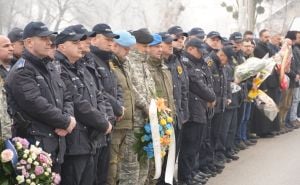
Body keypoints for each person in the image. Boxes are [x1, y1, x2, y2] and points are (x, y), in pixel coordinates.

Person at [5, 21, 76, 172]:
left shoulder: (49, 67)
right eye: (44, 39)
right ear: (29, 42)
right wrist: (64, 121)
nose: (50, 42)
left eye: (50, 39)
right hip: (34, 146)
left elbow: (66, 95)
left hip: (56, 143)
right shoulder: (22, 71)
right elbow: (35, 104)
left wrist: (69, 119)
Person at [54, 27, 112, 185]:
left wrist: (107, 119)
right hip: (75, 143)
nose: (81, 46)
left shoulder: (81, 67)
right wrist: (102, 123)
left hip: (90, 140)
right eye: (75, 43)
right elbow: (76, 102)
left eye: (80, 42)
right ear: (61, 46)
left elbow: (98, 95)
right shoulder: (58, 68)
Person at [177, 38, 216, 185]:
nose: (202, 55)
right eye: (199, 51)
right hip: (193, 113)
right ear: (191, 49)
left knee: (195, 147)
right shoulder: (187, 63)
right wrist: (212, 97)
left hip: (200, 110)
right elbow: (198, 84)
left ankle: (191, 173)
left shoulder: (198, 63)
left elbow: (206, 83)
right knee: (189, 148)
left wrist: (211, 96)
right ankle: (185, 178)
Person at [108, 30, 138, 185]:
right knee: (111, 166)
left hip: (126, 122)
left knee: (119, 164)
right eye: (125, 48)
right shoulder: (109, 64)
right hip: (116, 122)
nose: (128, 52)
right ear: (115, 46)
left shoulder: (123, 64)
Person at [127, 28, 156, 184]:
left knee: (144, 164)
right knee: (131, 167)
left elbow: (150, 88)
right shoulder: (128, 61)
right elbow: (132, 89)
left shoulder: (144, 63)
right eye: (144, 46)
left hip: (146, 121)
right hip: (135, 122)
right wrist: (147, 107)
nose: (147, 49)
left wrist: (157, 107)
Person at [160, 32, 189, 154]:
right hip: (163, 116)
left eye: (171, 42)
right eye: (167, 43)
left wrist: (183, 112)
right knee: (163, 153)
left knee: (174, 151)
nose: (170, 45)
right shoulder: (158, 64)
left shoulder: (175, 60)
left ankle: (170, 174)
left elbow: (182, 88)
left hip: (177, 114)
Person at [0, 35, 13, 139]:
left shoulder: (11, 69)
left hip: (10, 129)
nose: (11, 48)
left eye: (11, 45)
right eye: (6, 46)